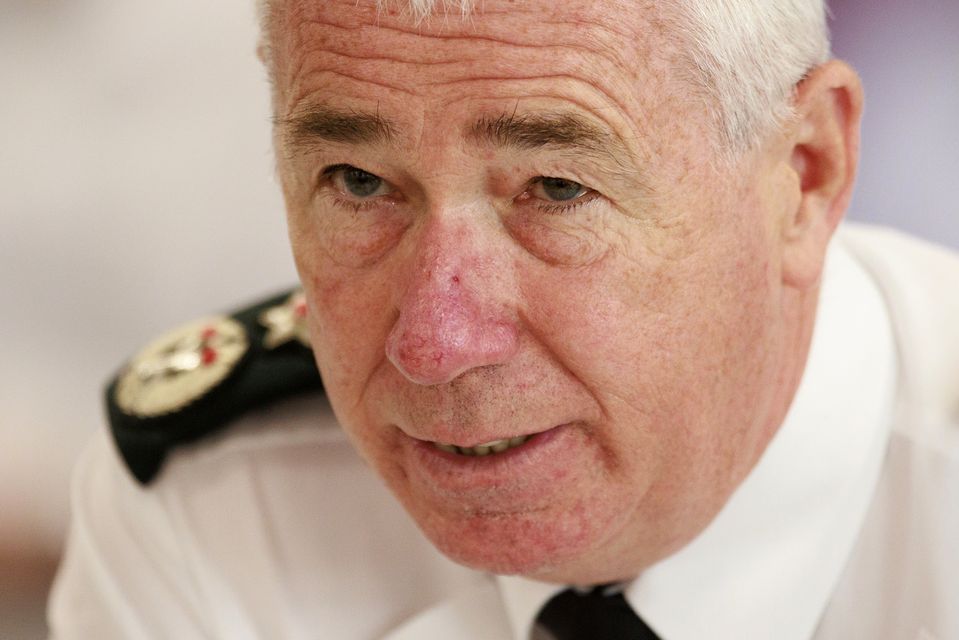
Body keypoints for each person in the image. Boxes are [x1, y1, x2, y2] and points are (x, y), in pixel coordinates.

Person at [48, 1, 959, 638]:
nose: (435, 348)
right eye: (357, 183)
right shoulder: (218, 510)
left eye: (556, 190)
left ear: (804, 173)